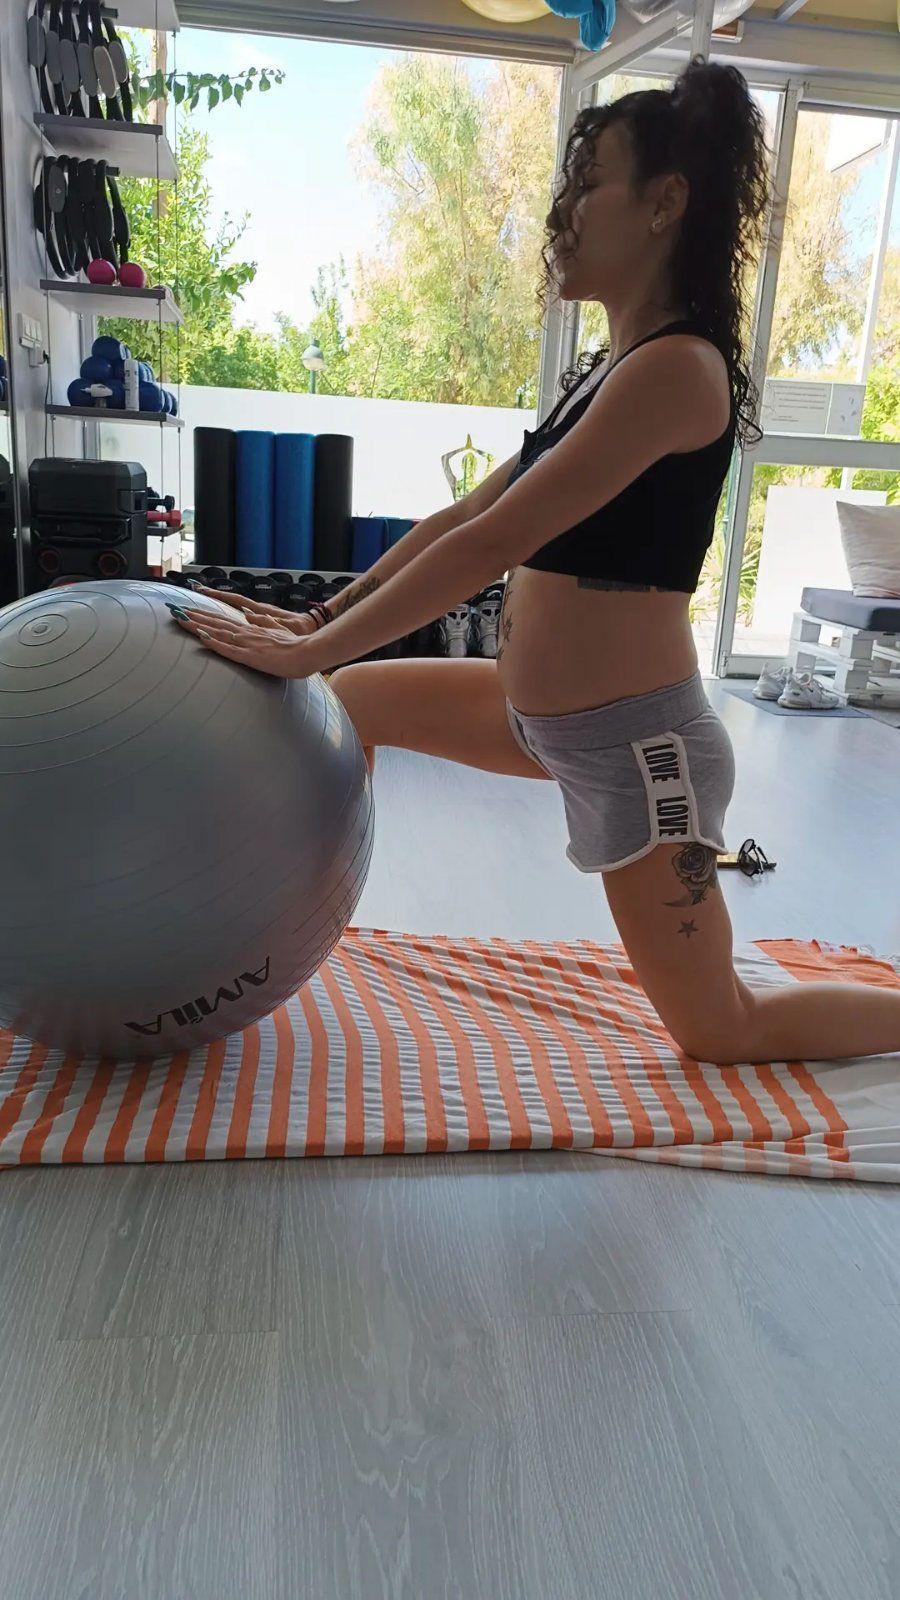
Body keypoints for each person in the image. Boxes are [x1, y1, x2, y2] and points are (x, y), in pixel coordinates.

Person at [178, 60, 900, 1067]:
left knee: (720, 1029)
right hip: (535, 715)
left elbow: (493, 543)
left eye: (588, 184)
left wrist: (311, 649)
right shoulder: (604, 373)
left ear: (665, 203)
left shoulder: (678, 371)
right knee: (349, 706)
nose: (562, 213)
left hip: (641, 753)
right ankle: (283, 934)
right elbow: (463, 512)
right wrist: (317, 625)